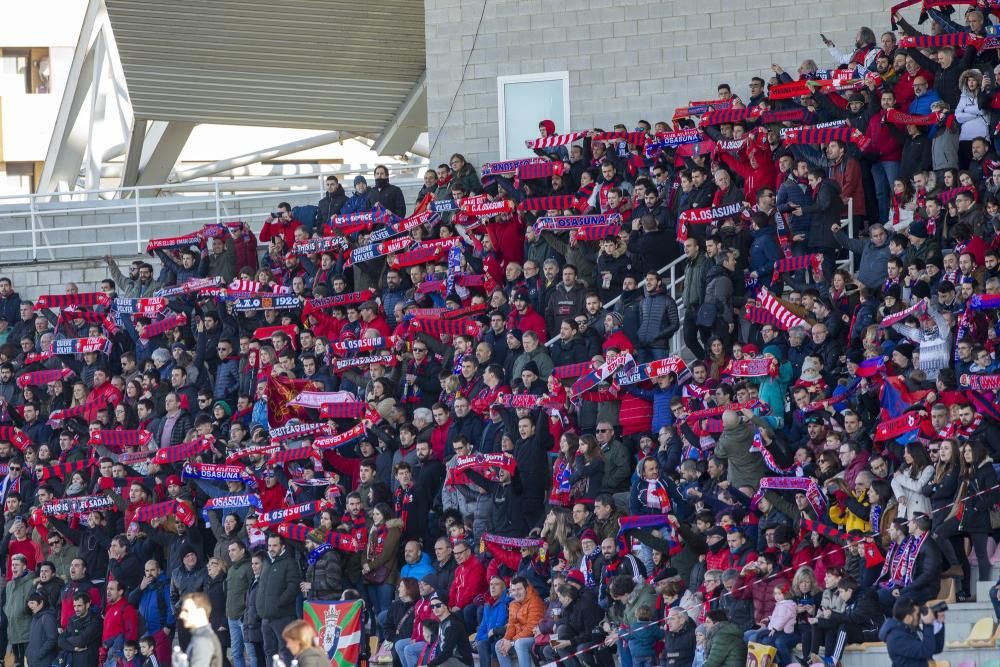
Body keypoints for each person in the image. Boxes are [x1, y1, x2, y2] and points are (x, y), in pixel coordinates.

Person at [257, 534, 302, 667]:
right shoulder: (266, 562)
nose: (271, 548)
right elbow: (261, 587)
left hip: (283, 616)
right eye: (269, 545)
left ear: (282, 546)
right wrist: (260, 607)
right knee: (269, 651)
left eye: (275, 545)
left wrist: (278, 603)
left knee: (286, 651)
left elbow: (294, 587)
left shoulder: (290, 562)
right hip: (266, 617)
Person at [879, 598, 945, 667]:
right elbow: (926, 651)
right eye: (917, 614)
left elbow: (936, 648)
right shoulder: (896, 637)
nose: (920, 617)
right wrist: (928, 624)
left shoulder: (910, 628)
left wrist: (938, 623)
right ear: (908, 618)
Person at [179, 592, 224, 667]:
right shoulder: (203, 636)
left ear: (201, 612)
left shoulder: (203, 640)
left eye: (186, 611)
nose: (181, 615)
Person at [58, 592, 102, 667]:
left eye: (79, 606)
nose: (76, 609)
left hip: (87, 662)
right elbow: (60, 641)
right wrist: (73, 648)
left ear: (87, 605)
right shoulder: (72, 619)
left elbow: (80, 641)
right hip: (72, 662)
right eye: (74, 606)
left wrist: (67, 639)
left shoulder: (95, 622)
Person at [26, 591, 59, 667]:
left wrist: (39, 654)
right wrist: (28, 653)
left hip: (44, 661)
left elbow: (52, 639)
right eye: (29, 603)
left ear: (41, 603)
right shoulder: (35, 617)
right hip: (34, 661)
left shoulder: (48, 617)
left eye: (32, 603)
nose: (29, 606)